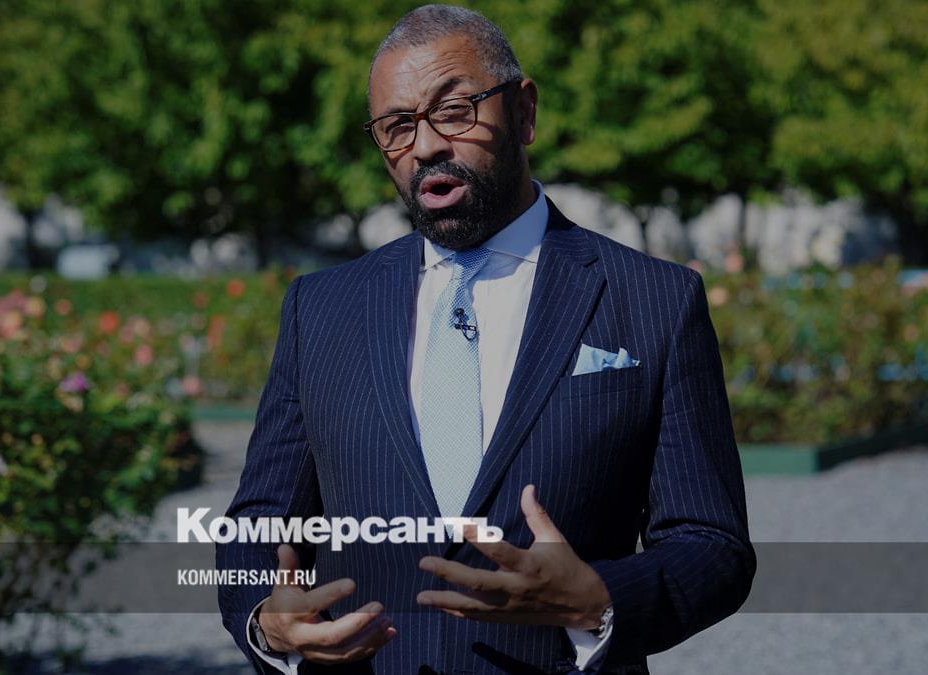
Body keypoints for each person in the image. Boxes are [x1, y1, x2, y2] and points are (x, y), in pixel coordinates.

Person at [217, 5, 754, 673]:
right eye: (397, 127)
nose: (425, 146)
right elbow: (258, 528)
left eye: (454, 111)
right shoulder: (320, 309)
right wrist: (266, 620)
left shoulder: (655, 300)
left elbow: (712, 545)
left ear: (524, 112)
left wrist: (598, 599)